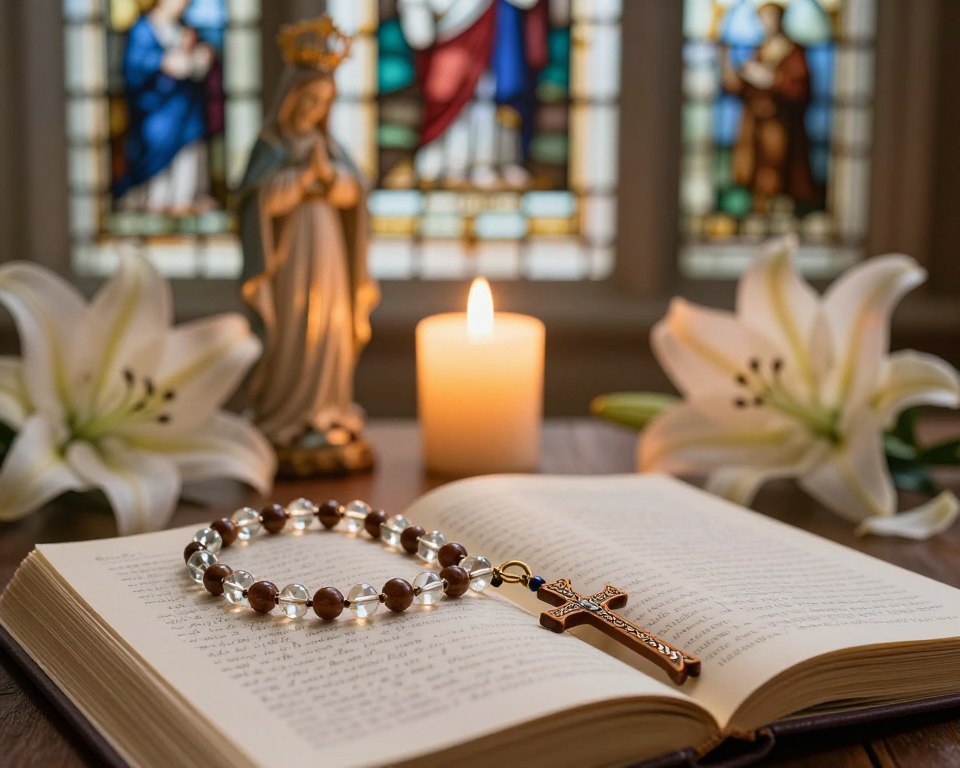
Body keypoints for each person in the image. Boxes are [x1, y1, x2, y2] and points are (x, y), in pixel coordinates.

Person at [237, 67, 379, 449]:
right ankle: (285, 413)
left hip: (328, 245)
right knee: (293, 326)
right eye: (309, 98)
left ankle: (327, 408)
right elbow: (257, 201)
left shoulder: (328, 146)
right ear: (291, 98)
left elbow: (356, 191)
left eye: (324, 101)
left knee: (331, 321)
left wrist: (330, 177)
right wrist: (300, 180)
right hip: (289, 251)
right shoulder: (271, 146)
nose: (315, 108)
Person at [397, 0, 548, 189]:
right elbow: (421, 30)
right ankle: (448, 161)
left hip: (494, 36)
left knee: (489, 98)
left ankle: (493, 161)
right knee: (449, 97)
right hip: (451, 36)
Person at [113, 0, 218, 213]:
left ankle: (184, 199)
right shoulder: (143, 29)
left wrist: (199, 57)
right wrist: (163, 63)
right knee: (157, 162)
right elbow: (134, 67)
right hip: (157, 113)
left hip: (186, 112)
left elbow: (201, 65)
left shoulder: (186, 28)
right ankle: (157, 200)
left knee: (187, 156)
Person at [721, 2, 819, 213]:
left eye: (772, 17)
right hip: (754, 122)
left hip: (781, 123)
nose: (767, 22)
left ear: (781, 19)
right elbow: (738, 87)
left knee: (776, 168)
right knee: (754, 170)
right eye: (763, 18)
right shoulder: (758, 51)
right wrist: (727, 63)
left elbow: (802, 88)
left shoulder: (794, 51)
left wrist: (774, 80)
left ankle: (779, 210)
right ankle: (759, 210)